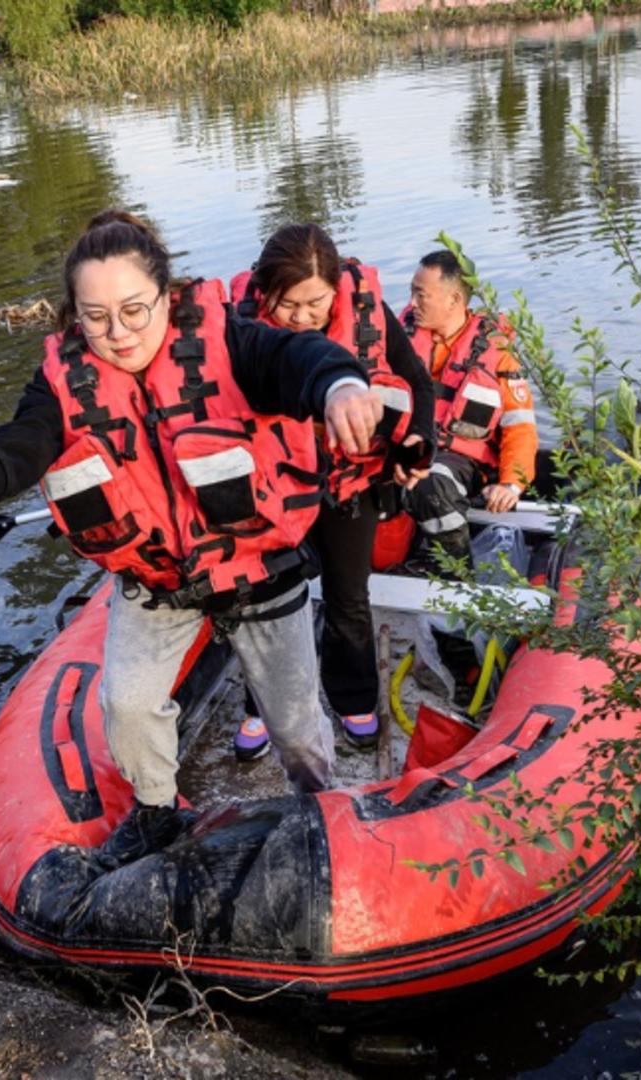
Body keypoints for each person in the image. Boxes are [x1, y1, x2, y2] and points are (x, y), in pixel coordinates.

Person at [0, 210, 381, 867]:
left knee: (292, 725)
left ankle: (317, 803)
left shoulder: (231, 341)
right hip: (159, 581)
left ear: (167, 297)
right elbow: (23, 441)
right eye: (95, 316)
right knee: (129, 704)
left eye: (134, 310)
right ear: (74, 315)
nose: (117, 334)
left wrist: (341, 385)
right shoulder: (63, 380)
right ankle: (155, 812)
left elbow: (298, 358)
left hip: (257, 567)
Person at [225, 223, 435, 754]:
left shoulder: (369, 310)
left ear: (336, 290)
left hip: (349, 482)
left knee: (349, 596)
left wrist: (419, 447)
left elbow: (419, 383)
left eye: (313, 303)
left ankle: (354, 698)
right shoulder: (241, 328)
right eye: (285, 304)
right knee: (263, 598)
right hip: (270, 487)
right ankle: (262, 706)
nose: (299, 317)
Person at [401, 249, 539, 565]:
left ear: (454, 300)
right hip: (411, 443)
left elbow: (520, 427)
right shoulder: (402, 337)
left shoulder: (496, 355)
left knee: (430, 480)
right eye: (412, 292)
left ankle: (457, 572)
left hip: (463, 459)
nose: (412, 303)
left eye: (421, 295)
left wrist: (511, 484)